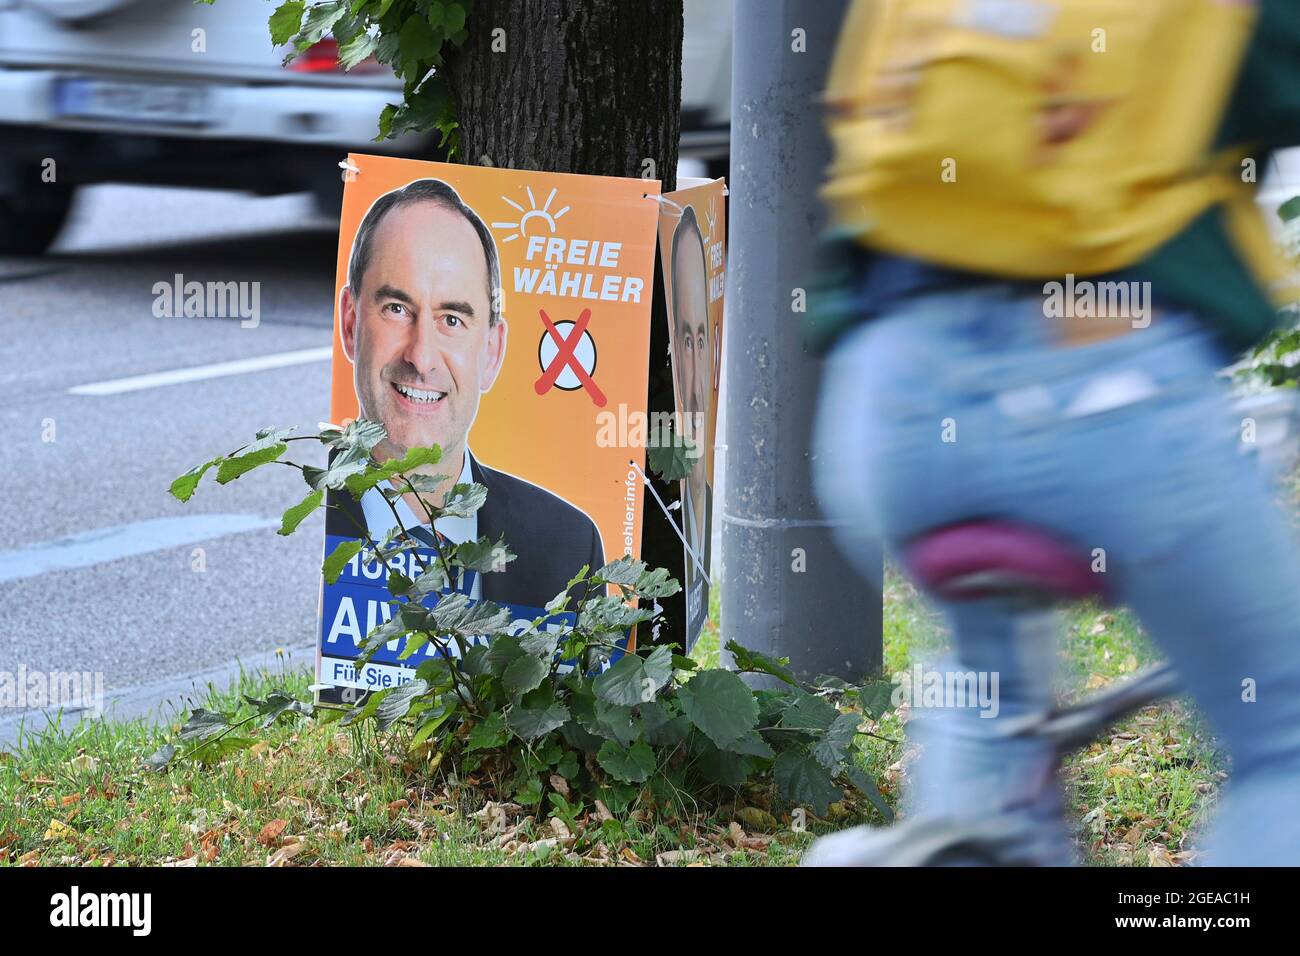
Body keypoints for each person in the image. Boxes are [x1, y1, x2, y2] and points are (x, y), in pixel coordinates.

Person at [806, 1, 1300, 865]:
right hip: (1110, 398)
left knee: (992, 709)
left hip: (891, 412)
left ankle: (964, 839)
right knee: (1282, 744)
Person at [326, 178, 605, 610]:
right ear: (350, 323)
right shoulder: (301, 522)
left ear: (492, 352)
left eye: (452, 319)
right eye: (397, 309)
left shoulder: (570, 548)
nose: (421, 356)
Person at [669, 205, 714, 637]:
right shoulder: (665, 511)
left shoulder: (713, 507)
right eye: (685, 339)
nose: (695, 366)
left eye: (701, 338)